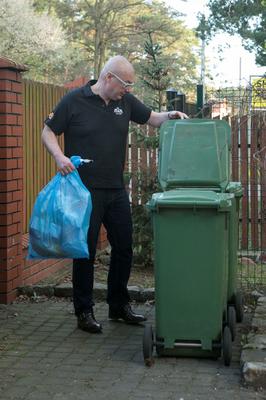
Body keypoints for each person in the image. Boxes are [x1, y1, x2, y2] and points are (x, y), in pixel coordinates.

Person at [42, 55, 188, 334]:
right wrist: (59, 157)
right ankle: (83, 311)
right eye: (126, 84)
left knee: (123, 247)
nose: (129, 90)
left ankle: (118, 305)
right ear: (109, 78)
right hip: (83, 191)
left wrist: (170, 116)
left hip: (116, 189)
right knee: (84, 251)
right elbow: (48, 132)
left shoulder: (125, 103)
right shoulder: (74, 100)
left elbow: (152, 118)